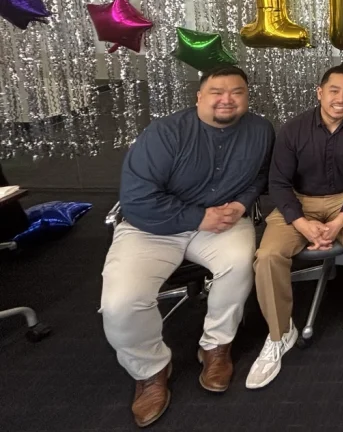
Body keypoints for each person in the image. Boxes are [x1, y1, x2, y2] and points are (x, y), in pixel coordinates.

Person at [100, 66, 274, 428]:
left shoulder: (260, 130)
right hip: (152, 227)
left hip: (223, 221)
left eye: (237, 92)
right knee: (120, 303)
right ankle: (150, 370)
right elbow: (136, 200)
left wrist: (242, 204)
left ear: (247, 96)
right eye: (216, 92)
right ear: (199, 97)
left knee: (241, 263)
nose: (226, 99)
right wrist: (198, 217)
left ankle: (215, 345)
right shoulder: (164, 133)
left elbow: (259, 176)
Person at [246, 65, 343, 390]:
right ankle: (280, 334)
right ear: (319, 92)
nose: (342, 98)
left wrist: (338, 220)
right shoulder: (293, 129)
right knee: (267, 254)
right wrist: (302, 223)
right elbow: (277, 183)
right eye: (334, 91)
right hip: (298, 201)